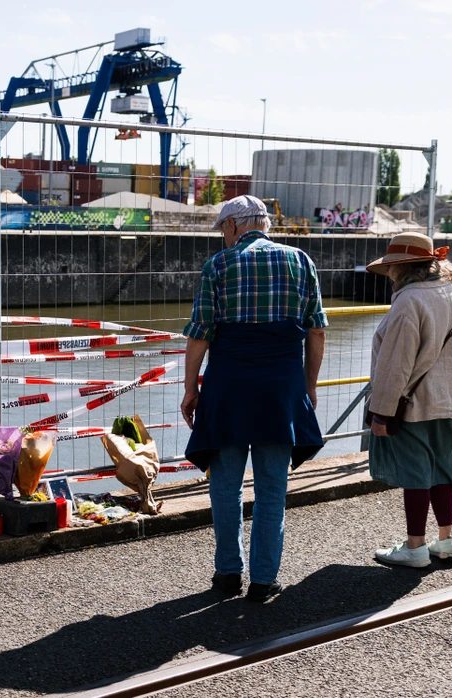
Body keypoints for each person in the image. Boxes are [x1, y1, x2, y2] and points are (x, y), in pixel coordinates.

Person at [181, 195, 327, 603]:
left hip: (228, 388)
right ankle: (264, 581)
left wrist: (192, 390)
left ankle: (229, 573)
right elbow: (316, 331)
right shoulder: (301, 261)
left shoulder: (219, 265)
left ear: (232, 226)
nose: (223, 239)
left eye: (222, 231)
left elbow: (200, 336)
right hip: (280, 390)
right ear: (263, 223)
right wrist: (308, 385)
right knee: (272, 489)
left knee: (225, 488)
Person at [364, 232, 452, 568]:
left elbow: (395, 362)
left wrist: (381, 412)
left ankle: (415, 548)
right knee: (444, 471)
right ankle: (446, 540)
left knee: (416, 475)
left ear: (401, 268)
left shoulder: (409, 300)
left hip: (414, 404)